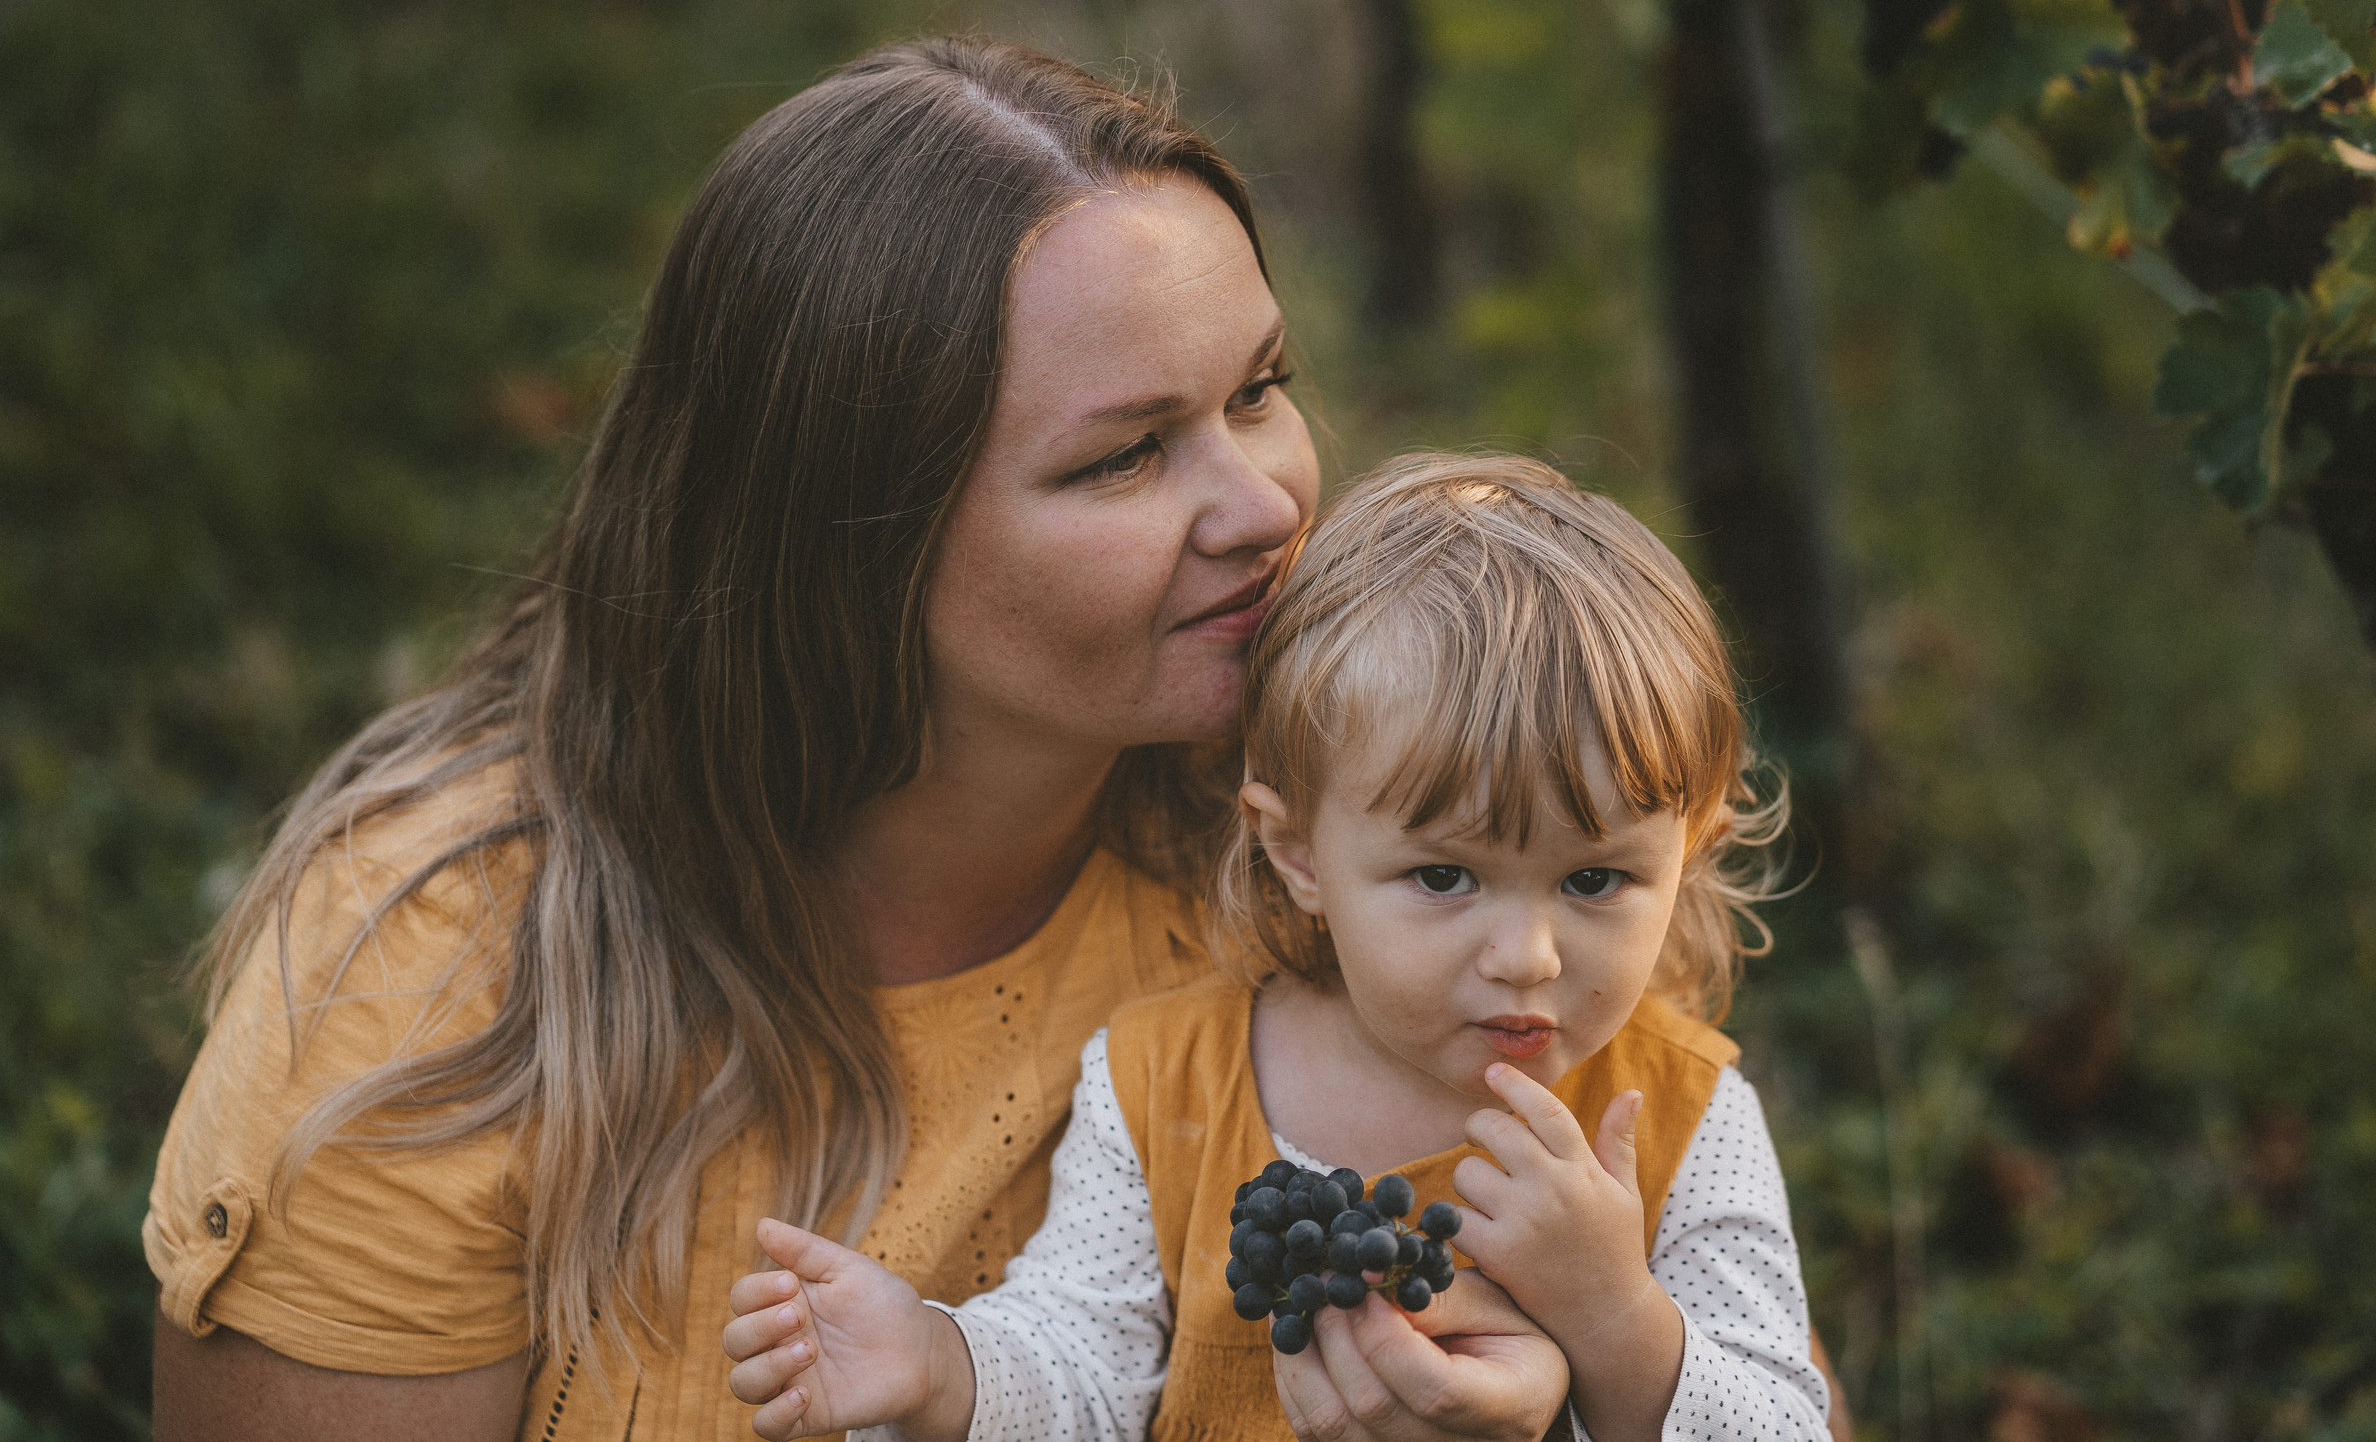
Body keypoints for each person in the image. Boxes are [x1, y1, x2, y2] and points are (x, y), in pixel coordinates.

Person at [144, 41, 1576, 1442]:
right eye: (1124, 455)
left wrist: (1581, 1394)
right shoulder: (442, 975)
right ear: (846, 535)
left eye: (1258, 389)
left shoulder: (1378, 855)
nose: (1265, 501)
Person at [722, 453, 1832, 1442]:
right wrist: (934, 1365)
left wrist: (1613, 1320)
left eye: (1595, 879)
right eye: (1443, 876)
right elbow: (1088, 1372)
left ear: (1688, 853)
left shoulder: (1677, 1117)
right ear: (1297, 851)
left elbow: (1785, 1423)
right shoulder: (1165, 1083)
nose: (1527, 955)